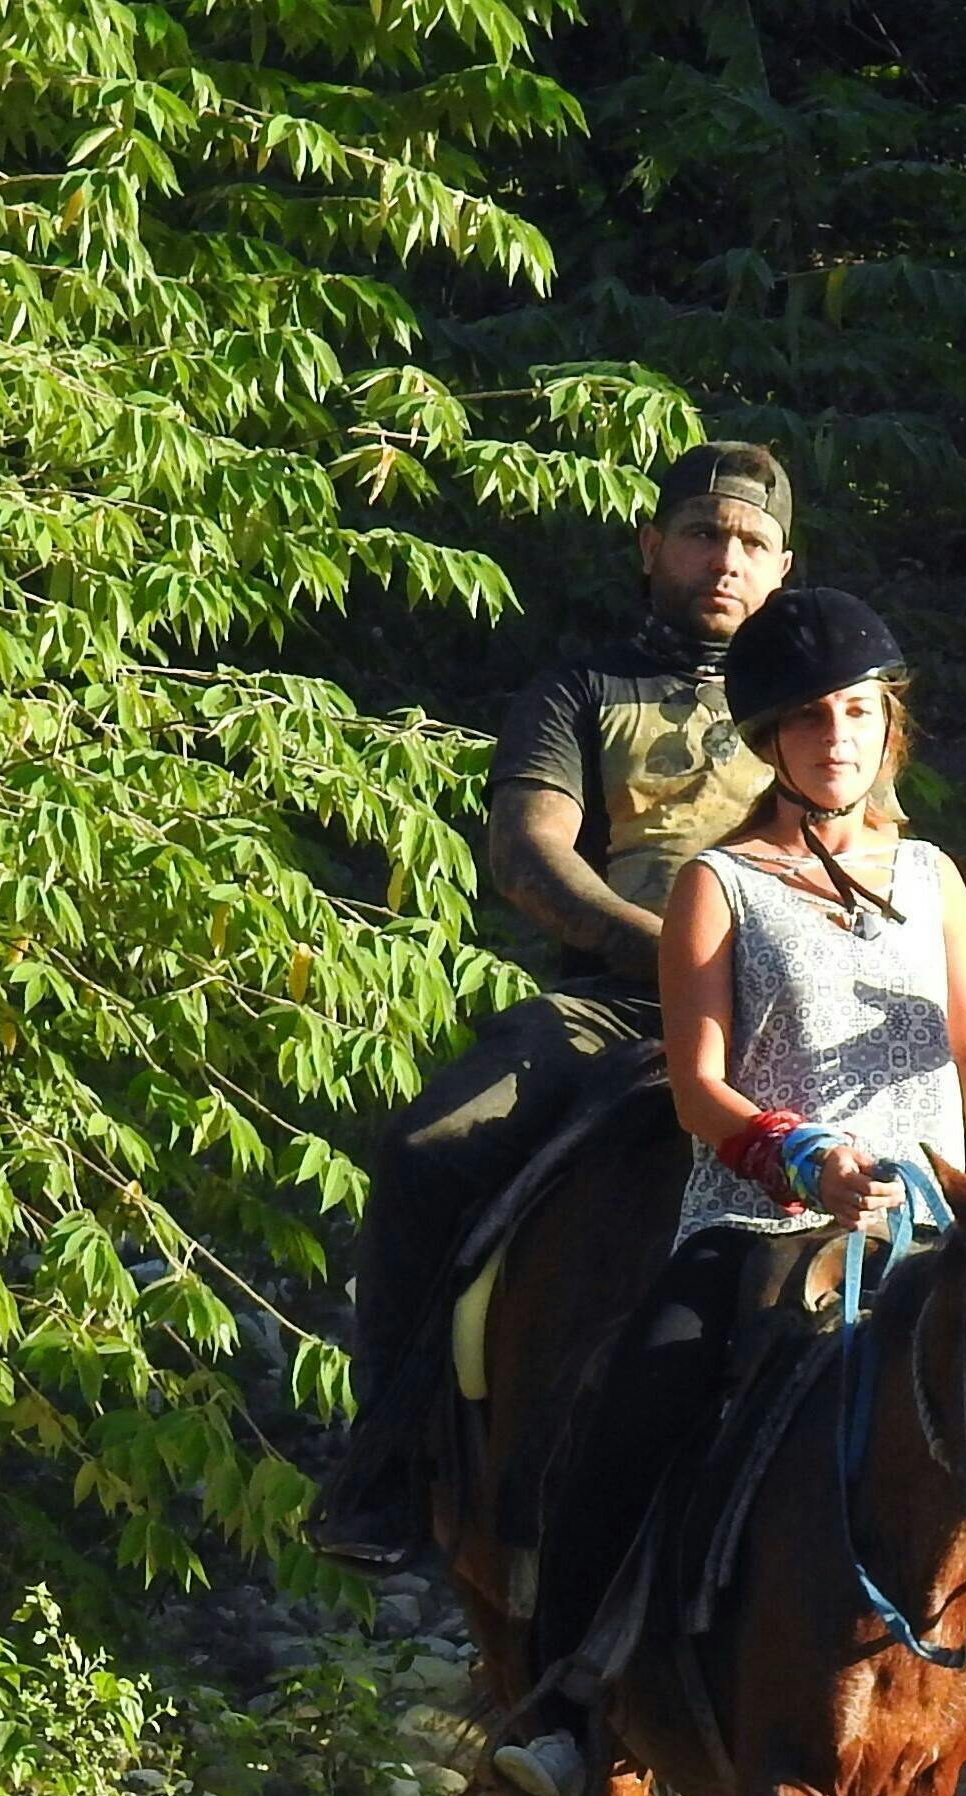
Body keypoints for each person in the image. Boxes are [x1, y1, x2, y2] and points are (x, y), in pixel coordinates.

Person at [489, 590, 966, 1796]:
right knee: (638, 1400)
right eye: (810, 719)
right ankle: (571, 1697)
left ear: (886, 726)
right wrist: (799, 1158)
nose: (838, 737)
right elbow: (698, 1088)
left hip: (923, 1228)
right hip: (762, 1221)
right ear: (770, 739)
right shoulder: (718, 884)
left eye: (857, 712)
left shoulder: (931, 876)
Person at [313, 443, 798, 1564]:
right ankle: (385, 1467)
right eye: (700, 534)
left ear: (781, 567)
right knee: (429, 1147)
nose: (723, 559)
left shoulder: (822, 708)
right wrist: (672, 957)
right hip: (608, 1008)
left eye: (750, 543)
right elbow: (533, 862)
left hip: (788, 1005)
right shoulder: (575, 692)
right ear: (650, 548)